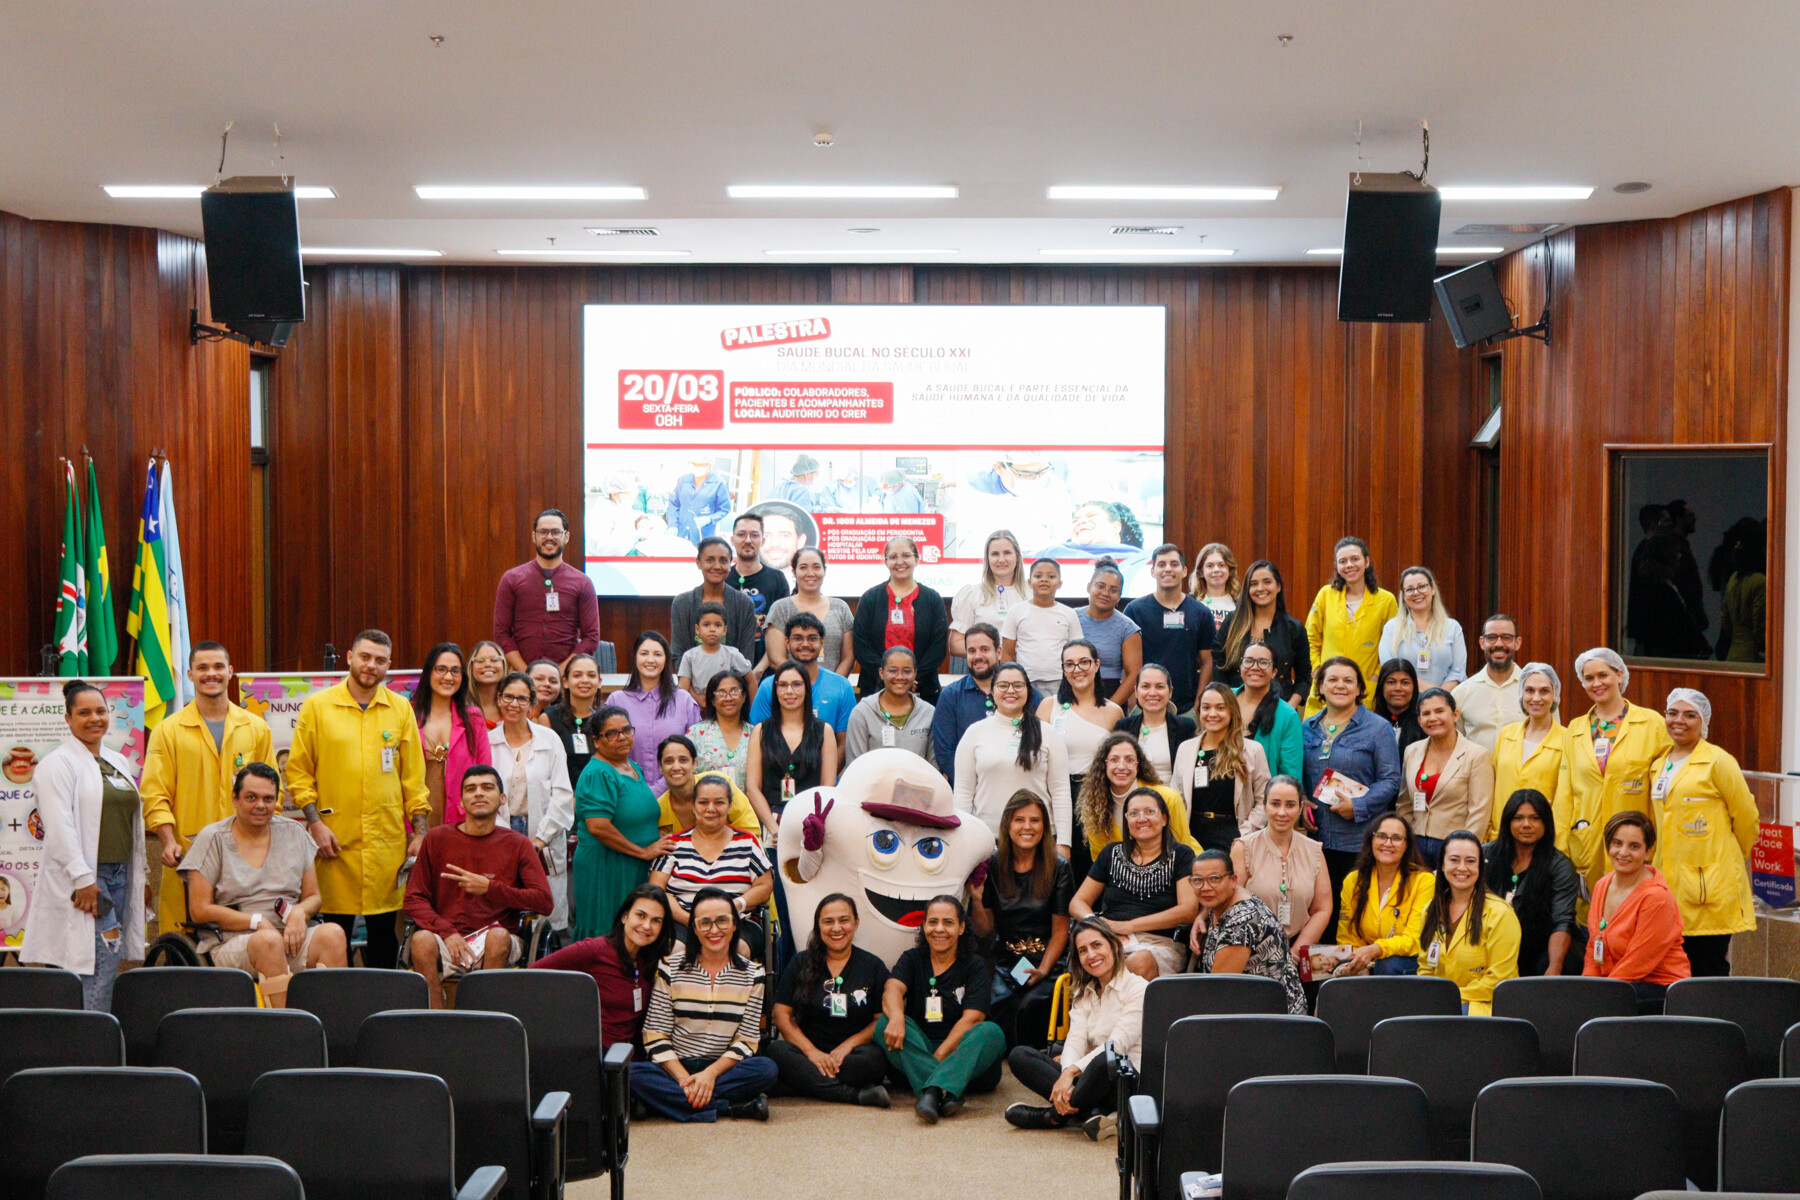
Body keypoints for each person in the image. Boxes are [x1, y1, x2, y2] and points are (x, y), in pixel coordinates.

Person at [286, 630, 429, 970]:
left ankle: (383, 1012)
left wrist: (420, 832)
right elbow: (298, 773)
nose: (371, 666)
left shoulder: (400, 710)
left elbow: (413, 779)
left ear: (388, 667)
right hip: (334, 843)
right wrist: (315, 824)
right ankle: (340, 1012)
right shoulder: (318, 707)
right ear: (350, 657)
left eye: (380, 661)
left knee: (384, 938)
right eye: (365, 657)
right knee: (335, 935)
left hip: (385, 845)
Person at [175, 764, 348, 1006]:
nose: (260, 805)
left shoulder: (294, 833)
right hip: (230, 941)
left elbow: (313, 896)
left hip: (288, 937)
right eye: (251, 797)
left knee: (334, 934)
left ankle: (329, 1030)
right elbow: (199, 909)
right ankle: (285, 1033)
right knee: (268, 941)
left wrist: (300, 912)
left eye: (268, 799)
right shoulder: (212, 838)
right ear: (235, 799)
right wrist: (255, 921)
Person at [22, 680, 147, 1010]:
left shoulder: (117, 761)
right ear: (67, 718)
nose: (95, 718)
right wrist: (84, 880)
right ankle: (93, 1043)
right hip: (89, 880)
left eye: (101, 711)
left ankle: (88, 1036)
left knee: (106, 958)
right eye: (84, 712)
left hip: (118, 875)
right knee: (101, 962)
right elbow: (59, 826)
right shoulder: (56, 764)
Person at [140, 640, 274, 932]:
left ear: (230, 671)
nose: (210, 674)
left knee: (246, 938)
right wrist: (167, 841)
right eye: (202, 668)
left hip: (246, 856)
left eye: (217, 667)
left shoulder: (255, 727)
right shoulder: (168, 730)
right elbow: (154, 794)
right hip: (189, 855)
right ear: (190, 674)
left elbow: (272, 791)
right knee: (188, 943)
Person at [403, 766, 553, 1006]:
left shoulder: (519, 844)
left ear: (502, 799)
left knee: (498, 937)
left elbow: (544, 902)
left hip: (495, 938)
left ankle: (485, 1016)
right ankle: (434, 1017)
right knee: (421, 940)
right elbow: (413, 899)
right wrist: (447, 931)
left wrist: (490, 888)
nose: (478, 794)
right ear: (461, 801)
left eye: (487, 788)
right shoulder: (437, 839)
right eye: (470, 789)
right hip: (446, 935)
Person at [634, 888, 779, 1121]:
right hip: (675, 1066)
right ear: (694, 928)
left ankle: (668, 1103)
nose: (714, 930)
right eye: (705, 923)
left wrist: (709, 1075)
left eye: (722, 921)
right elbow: (655, 1034)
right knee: (633, 1074)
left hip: (722, 1068)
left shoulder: (753, 974)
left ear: (734, 925)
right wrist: (684, 1078)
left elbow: (746, 1039)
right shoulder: (670, 968)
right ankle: (729, 1108)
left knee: (766, 1069)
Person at [1648, 688, 1758, 977]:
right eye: (1672, 713)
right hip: (1670, 884)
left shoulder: (1718, 761)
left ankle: (1715, 1022)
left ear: (1703, 722)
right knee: (1674, 970)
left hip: (1708, 887)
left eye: (1689, 714)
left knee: (1707, 968)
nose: (1678, 720)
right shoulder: (1661, 764)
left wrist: (1728, 856)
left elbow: (1747, 818)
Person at [1005, 916, 1146, 1135]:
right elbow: (1075, 1040)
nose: (1091, 955)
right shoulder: (1083, 992)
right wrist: (1066, 1076)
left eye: (1097, 945)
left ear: (1115, 946)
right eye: (1082, 950)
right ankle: (1089, 1111)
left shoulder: (1139, 989)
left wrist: (1071, 1072)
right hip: (1088, 1081)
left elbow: (1117, 1046)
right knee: (1019, 1055)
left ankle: (1053, 1116)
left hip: (1123, 1081)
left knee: (1106, 1060)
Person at [877, 895, 1007, 1123]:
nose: (939, 929)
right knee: (882, 1024)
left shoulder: (974, 965)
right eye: (932, 922)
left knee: (990, 1032)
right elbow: (892, 989)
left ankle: (931, 1089)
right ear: (924, 926)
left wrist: (938, 1058)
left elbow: (972, 1019)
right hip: (920, 1046)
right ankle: (944, 1091)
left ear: (961, 927)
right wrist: (897, 1016)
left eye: (948, 922)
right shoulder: (913, 959)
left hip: (963, 1055)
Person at [1302, 656, 1404, 933]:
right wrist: (1300, 802)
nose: (1340, 686)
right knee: (1319, 915)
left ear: (1359, 688)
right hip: (1316, 840)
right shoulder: (1306, 728)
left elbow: (1391, 780)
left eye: (1348, 680)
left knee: (1353, 915)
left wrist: (1358, 805)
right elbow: (1298, 776)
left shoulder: (1378, 728)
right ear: (1320, 687)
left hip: (1358, 841)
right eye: (1332, 679)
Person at [968, 791, 1073, 1049]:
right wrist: (977, 899)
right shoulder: (992, 865)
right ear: (1007, 825)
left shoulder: (1059, 867)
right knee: (999, 1006)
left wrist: (1044, 970)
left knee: (1030, 1005)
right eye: (1019, 819)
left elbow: (1061, 931)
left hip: (1049, 961)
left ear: (1045, 827)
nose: (1027, 827)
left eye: (1035, 820)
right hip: (1007, 964)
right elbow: (984, 929)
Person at [769, 893, 894, 1108]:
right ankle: (853, 1096)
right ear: (818, 927)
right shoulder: (801, 962)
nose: (836, 928)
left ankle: (801, 1084)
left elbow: (880, 1020)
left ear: (856, 923)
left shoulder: (872, 966)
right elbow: (781, 1014)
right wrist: (813, 1053)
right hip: (806, 1050)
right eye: (828, 922)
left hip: (853, 1054)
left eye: (844, 920)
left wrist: (847, 1046)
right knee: (775, 1052)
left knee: (875, 1061)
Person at [1566, 648, 1673, 890]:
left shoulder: (1652, 723)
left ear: (1620, 674)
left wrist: (1659, 845)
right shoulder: (1574, 729)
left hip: (1635, 844)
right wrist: (1562, 847)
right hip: (1588, 843)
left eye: (1603, 675)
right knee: (1591, 919)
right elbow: (1566, 793)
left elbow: (1665, 790)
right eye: (1589, 678)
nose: (1596, 683)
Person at [1070, 787, 1200, 979]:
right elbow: (1076, 903)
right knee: (1094, 957)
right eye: (1134, 813)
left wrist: (1129, 927)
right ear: (1127, 821)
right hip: (1110, 939)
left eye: (1150, 811)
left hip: (1158, 943)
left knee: (1139, 961)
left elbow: (1187, 911)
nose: (1141, 818)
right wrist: (1099, 925)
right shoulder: (1111, 853)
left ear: (1164, 819)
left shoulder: (1181, 855)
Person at [572, 705, 673, 941]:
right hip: (607, 868)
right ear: (596, 741)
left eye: (627, 730)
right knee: (608, 935)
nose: (622, 738)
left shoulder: (632, 767)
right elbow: (599, 827)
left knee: (632, 935)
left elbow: (636, 815)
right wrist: (643, 851)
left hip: (633, 865)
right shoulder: (598, 773)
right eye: (612, 733)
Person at [532, 884, 674, 1049]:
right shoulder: (594, 950)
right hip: (591, 1053)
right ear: (625, 917)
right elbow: (532, 974)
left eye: (656, 921)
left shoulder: (652, 960)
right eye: (640, 915)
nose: (647, 925)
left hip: (628, 1056)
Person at [953, 663, 1072, 857]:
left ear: (1028, 690)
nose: (1011, 691)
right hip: (987, 839)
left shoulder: (1047, 733)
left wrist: (1064, 843)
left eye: (1018, 685)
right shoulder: (975, 733)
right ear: (992, 691)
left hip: (1038, 839)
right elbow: (963, 792)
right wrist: (960, 838)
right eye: (1003, 685)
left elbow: (1060, 791)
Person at [649, 775, 773, 954]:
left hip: (736, 923)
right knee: (675, 950)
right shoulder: (674, 844)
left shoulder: (748, 842)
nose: (711, 809)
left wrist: (734, 907)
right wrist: (691, 920)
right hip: (683, 922)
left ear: (730, 806)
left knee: (738, 950)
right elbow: (656, 890)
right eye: (703, 802)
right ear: (693, 806)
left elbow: (765, 886)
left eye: (719, 802)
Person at [490, 672, 575, 930]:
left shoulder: (549, 740)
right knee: (505, 908)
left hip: (544, 834)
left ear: (532, 704)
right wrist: (507, 837)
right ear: (499, 699)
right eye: (508, 697)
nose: (514, 704)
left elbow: (563, 794)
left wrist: (539, 840)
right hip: (500, 833)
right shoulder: (488, 741)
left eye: (521, 698)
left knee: (544, 911)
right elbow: (484, 794)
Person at [1584, 811, 1691, 1012]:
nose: (1623, 852)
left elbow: (1637, 963)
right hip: (1619, 985)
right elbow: (1592, 947)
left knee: (1599, 1006)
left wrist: (1600, 995)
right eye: (1617, 843)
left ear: (1648, 852)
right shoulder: (1601, 885)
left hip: (1660, 989)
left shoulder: (1657, 898)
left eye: (1634, 846)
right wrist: (1588, 987)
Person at [1190, 849, 1306, 1013]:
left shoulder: (1241, 922)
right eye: (1197, 880)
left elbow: (1218, 991)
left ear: (1233, 880)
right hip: (1246, 1008)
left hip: (1270, 1020)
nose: (1205, 887)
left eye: (1214, 879)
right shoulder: (1226, 900)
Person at [1074, 734, 1202, 883]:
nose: (1121, 766)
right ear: (1104, 764)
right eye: (1114, 760)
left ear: (1138, 764)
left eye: (1129, 760)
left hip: (1179, 876)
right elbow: (1100, 859)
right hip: (1127, 881)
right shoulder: (1093, 805)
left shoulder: (1168, 798)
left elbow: (1184, 849)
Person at [1415, 830, 1520, 1012]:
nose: (1462, 868)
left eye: (1470, 861)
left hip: (1483, 1008)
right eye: (1454, 860)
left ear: (1480, 867)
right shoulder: (1430, 911)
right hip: (1441, 1005)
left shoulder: (1501, 914)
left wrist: (1449, 1000)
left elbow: (1498, 980)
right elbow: (1426, 969)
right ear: (1442, 865)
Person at [1483, 788, 1584, 976]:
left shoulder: (1560, 865)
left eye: (1535, 818)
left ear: (1546, 823)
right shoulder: (1485, 856)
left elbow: (1562, 921)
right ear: (1508, 822)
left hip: (1541, 944)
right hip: (1493, 941)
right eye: (1518, 818)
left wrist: (1554, 967)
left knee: (1567, 960)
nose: (1526, 824)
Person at [493, 508, 601, 673]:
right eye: (543, 532)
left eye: (556, 532)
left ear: (566, 537)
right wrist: (528, 674)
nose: (549, 537)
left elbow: (591, 638)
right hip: (521, 678)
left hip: (565, 678)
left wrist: (559, 673)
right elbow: (501, 634)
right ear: (534, 536)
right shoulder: (512, 579)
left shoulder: (582, 583)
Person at [1232, 775, 1333, 951]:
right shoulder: (1243, 848)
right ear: (1264, 805)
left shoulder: (1314, 850)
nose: (1282, 812)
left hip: (1298, 949)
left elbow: (1322, 909)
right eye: (1275, 804)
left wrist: (1295, 954)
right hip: (1250, 948)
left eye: (1290, 805)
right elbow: (1232, 907)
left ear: (1301, 808)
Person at [1173, 682, 1272, 851]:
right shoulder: (1186, 749)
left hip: (1234, 837)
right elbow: (1177, 797)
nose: (1212, 714)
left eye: (1220, 708)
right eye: (1206, 708)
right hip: (1193, 837)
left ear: (1232, 711)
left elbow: (1264, 799)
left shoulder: (1252, 750)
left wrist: (1244, 834)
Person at [1304, 536, 1399, 713]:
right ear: (1337, 566)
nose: (1349, 565)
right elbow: (1310, 637)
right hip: (1326, 690)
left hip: (1364, 691)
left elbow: (1393, 646)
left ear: (1367, 561)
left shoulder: (1386, 601)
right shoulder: (1325, 595)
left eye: (1355, 559)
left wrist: (1376, 676)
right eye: (1343, 561)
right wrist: (1317, 670)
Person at [1402, 689, 1494, 866]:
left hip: (1454, 846)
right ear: (1420, 721)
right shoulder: (1411, 751)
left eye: (1439, 711)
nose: (1433, 718)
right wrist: (1405, 840)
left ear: (1455, 715)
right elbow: (1404, 802)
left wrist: (1464, 852)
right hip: (1416, 844)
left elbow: (1479, 813)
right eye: (1426, 714)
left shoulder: (1476, 755)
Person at [852, 536, 948, 703]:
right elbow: (861, 644)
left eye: (906, 555)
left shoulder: (932, 599)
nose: (900, 561)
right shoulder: (870, 598)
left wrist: (911, 678)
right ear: (886, 561)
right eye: (893, 557)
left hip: (922, 688)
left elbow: (938, 647)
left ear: (917, 559)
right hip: (876, 687)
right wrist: (888, 678)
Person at [1336, 814, 1434, 975]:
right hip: (1370, 962)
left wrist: (1376, 949)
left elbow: (1414, 940)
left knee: (1387, 964)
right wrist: (1359, 965)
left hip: (1409, 962)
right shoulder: (1353, 880)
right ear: (1371, 840)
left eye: (1396, 838)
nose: (1388, 843)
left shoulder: (1424, 881)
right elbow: (1347, 936)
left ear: (1407, 845)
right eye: (1381, 836)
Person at [747, 661, 840, 832]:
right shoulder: (760, 731)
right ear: (775, 690)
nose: (789, 691)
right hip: (770, 822)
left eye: (796, 685)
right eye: (782, 685)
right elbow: (753, 787)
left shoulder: (824, 731)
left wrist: (814, 823)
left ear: (806, 688)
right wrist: (773, 828)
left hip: (812, 822)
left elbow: (828, 785)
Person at [1125, 544, 1215, 714]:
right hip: (1144, 705)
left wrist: (1199, 703)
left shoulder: (1201, 613)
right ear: (1152, 571)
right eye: (1161, 564)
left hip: (1187, 708)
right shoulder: (1134, 610)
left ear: (1185, 571)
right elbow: (1127, 664)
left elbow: (1208, 662)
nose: (1168, 569)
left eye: (1174, 564)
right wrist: (1132, 702)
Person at [1488, 663, 1574, 842]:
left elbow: (1566, 798)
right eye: (1529, 690)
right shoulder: (1507, 734)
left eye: (1544, 691)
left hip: (1542, 839)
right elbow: (1493, 786)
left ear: (1555, 696)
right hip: (1502, 835)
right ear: (1521, 694)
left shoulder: (1568, 739)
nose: (1536, 698)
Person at [411, 642, 493, 827]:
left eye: (455, 671)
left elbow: (484, 773)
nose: (448, 677)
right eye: (441, 669)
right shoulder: (407, 715)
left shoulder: (474, 718)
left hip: (462, 823)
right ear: (428, 673)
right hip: (414, 824)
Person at [612, 632, 702, 797]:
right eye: (644, 653)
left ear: (666, 659)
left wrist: (658, 790)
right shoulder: (616, 701)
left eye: (658, 654)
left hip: (676, 795)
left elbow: (695, 751)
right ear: (635, 657)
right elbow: (609, 753)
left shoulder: (684, 700)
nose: (651, 660)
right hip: (627, 796)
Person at [1040, 639, 1125, 807]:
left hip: (1097, 796)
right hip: (1055, 795)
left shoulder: (1114, 712)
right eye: (1069, 664)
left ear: (1097, 664)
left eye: (1084, 662)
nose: (1077, 670)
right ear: (1063, 669)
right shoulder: (1049, 706)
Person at [747, 612, 857, 740]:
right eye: (798, 638)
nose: (805, 644)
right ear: (787, 642)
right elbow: (757, 737)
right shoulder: (769, 686)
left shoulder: (841, 686)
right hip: (777, 759)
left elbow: (844, 742)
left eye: (812, 638)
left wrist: (828, 760)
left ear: (822, 642)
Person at [1219, 560, 1311, 706]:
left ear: (1278, 586)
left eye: (1267, 582)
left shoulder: (1293, 628)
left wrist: (1288, 709)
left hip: (1280, 708)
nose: (1260, 588)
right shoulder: (1232, 623)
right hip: (1235, 709)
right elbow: (1219, 672)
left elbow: (1304, 678)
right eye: (1254, 584)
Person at [932, 623, 1010, 785]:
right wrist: (975, 785)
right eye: (971, 651)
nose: (977, 656)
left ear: (999, 652)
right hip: (967, 790)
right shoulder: (950, 696)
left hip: (1013, 787)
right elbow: (945, 754)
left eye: (984, 649)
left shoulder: (1019, 690)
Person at [762, 547, 855, 678]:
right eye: (803, 567)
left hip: (832, 692)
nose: (810, 573)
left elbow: (849, 657)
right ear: (794, 572)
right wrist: (801, 684)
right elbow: (776, 658)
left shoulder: (841, 608)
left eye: (816, 567)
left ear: (824, 570)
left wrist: (832, 685)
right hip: (793, 690)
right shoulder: (780, 608)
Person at [1001, 558, 1084, 695]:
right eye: (1038, 576)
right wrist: (1008, 682)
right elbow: (1007, 654)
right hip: (1024, 681)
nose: (1044, 580)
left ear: (1060, 583)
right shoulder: (1016, 611)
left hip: (1061, 680)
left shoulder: (1069, 613)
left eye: (1051, 576)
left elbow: (1077, 652)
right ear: (1029, 582)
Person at [670, 537, 758, 665]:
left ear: (730, 565)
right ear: (698, 563)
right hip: (691, 683)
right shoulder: (682, 603)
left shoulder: (744, 604)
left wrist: (727, 684)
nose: (717, 566)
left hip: (733, 682)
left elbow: (746, 658)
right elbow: (678, 655)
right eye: (710, 560)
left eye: (723, 561)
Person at [1378, 566, 1468, 688]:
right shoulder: (1392, 628)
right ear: (1403, 596)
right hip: (1404, 702)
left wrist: (1440, 697)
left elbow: (1458, 671)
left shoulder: (1453, 627)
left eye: (1422, 586)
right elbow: (1390, 668)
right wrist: (1432, 692)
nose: (1416, 593)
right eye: (1409, 589)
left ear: (1433, 589)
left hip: (1443, 703)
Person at [845, 647, 937, 766]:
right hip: (872, 784)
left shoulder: (928, 713)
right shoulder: (862, 713)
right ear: (881, 673)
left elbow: (933, 767)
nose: (900, 677)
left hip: (918, 784)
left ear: (915, 674)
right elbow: (855, 765)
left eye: (907, 671)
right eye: (893, 670)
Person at [1451, 614, 1528, 754]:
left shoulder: (1536, 691)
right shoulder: (1461, 694)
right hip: (1476, 775)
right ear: (1482, 642)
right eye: (1491, 638)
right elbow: (1453, 746)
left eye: (1506, 638)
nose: (1499, 644)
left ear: (1517, 643)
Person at [656, 735, 758, 835]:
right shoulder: (658, 809)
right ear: (660, 767)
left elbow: (752, 832)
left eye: (683, 760)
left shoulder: (720, 784)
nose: (676, 767)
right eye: (669, 761)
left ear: (694, 764)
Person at [727, 512, 791, 667]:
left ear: (762, 541)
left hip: (767, 668)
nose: (748, 540)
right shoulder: (723, 578)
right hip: (726, 669)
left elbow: (782, 632)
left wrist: (759, 670)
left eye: (754, 535)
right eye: (741, 534)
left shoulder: (777, 580)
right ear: (732, 540)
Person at [950, 531, 1025, 660]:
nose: (1001, 559)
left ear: (1017, 556)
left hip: (1026, 674)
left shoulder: (1032, 595)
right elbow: (955, 645)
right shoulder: (972, 594)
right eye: (995, 554)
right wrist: (993, 653)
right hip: (985, 673)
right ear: (987, 559)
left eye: (1007, 553)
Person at [1078, 557, 1142, 706]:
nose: (1105, 593)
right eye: (1100, 586)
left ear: (1119, 596)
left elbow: (1134, 675)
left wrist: (1110, 708)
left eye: (1114, 590)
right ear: (1089, 587)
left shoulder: (1128, 628)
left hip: (1111, 697)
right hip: (1071, 694)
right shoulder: (1069, 618)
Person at [1235, 643, 1304, 779]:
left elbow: (1291, 776)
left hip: (1263, 795)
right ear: (1240, 668)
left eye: (1263, 662)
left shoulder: (1287, 715)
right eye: (1248, 661)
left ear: (1274, 672)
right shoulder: (1223, 700)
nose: (1255, 667)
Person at [1114, 663, 1192, 782]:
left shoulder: (1186, 727)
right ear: (1136, 691)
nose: (1152, 693)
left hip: (1174, 798)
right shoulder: (1124, 727)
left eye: (1160, 687)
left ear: (1170, 691)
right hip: (1133, 797)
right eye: (1145, 686)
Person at [546, 652, 603, 792]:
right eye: (577, 675)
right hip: (561, 800)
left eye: (591, 675)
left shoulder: (607, 719)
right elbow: (545, 770)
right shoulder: (548, 718)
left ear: (600, 682)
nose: (585, 680)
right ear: (565, 682)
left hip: (601, 799)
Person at [687, 672, 752, 791]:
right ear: (712, 700)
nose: (728, 698)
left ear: (743, 697)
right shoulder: (696, 734)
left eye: (734, 691)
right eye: (721, 693)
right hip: (707, 807)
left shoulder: (755, 734)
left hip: (747, 808)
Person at [676, 602, 753, 702]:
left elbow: (751, 680)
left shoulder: (732, 654)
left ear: (725, 630)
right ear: (697, 629)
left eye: (718, 625)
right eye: (706, 625)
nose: (712, 629)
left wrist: (753, 712)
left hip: (727, 704)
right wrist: (698, 698)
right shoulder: (689, 656)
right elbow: (683, 689)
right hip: (698, 710)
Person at [666, 456, 731, 543]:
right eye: (694, 464)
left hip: (703, 536)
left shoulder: (719, 483)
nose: (697, 467)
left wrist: (710, 519)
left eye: (700, 464)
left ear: (709, 465)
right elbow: (674, 504)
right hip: (681, 533)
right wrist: (672, 525)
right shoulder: (683, 480)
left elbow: (724, 509)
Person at [1373, 658, 1427, 758]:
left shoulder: (1425, 726)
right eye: (1391, 682)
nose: (1398, 688)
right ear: (1381, 686)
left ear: (1414, 687)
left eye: (1405, 683)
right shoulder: (1369, 725)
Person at [1188, 542, 1241, 638]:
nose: (1216, 570)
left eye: (1221, 565)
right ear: (1201, 572)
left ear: (1230, 571)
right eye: (1210, 566)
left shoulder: (1241, 604)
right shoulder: (1190, 603)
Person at [468, 641, 508, 728]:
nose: (488, 664)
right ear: (471, 667)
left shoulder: (515, 705)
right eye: (480, 661)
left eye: (494, 660)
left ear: (503, 665)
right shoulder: (460, 707)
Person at [526, 658, 563, 723]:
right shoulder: (511, 714)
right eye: (539, 679)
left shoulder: (565, 718)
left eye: (553, 681)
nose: (547, 684)